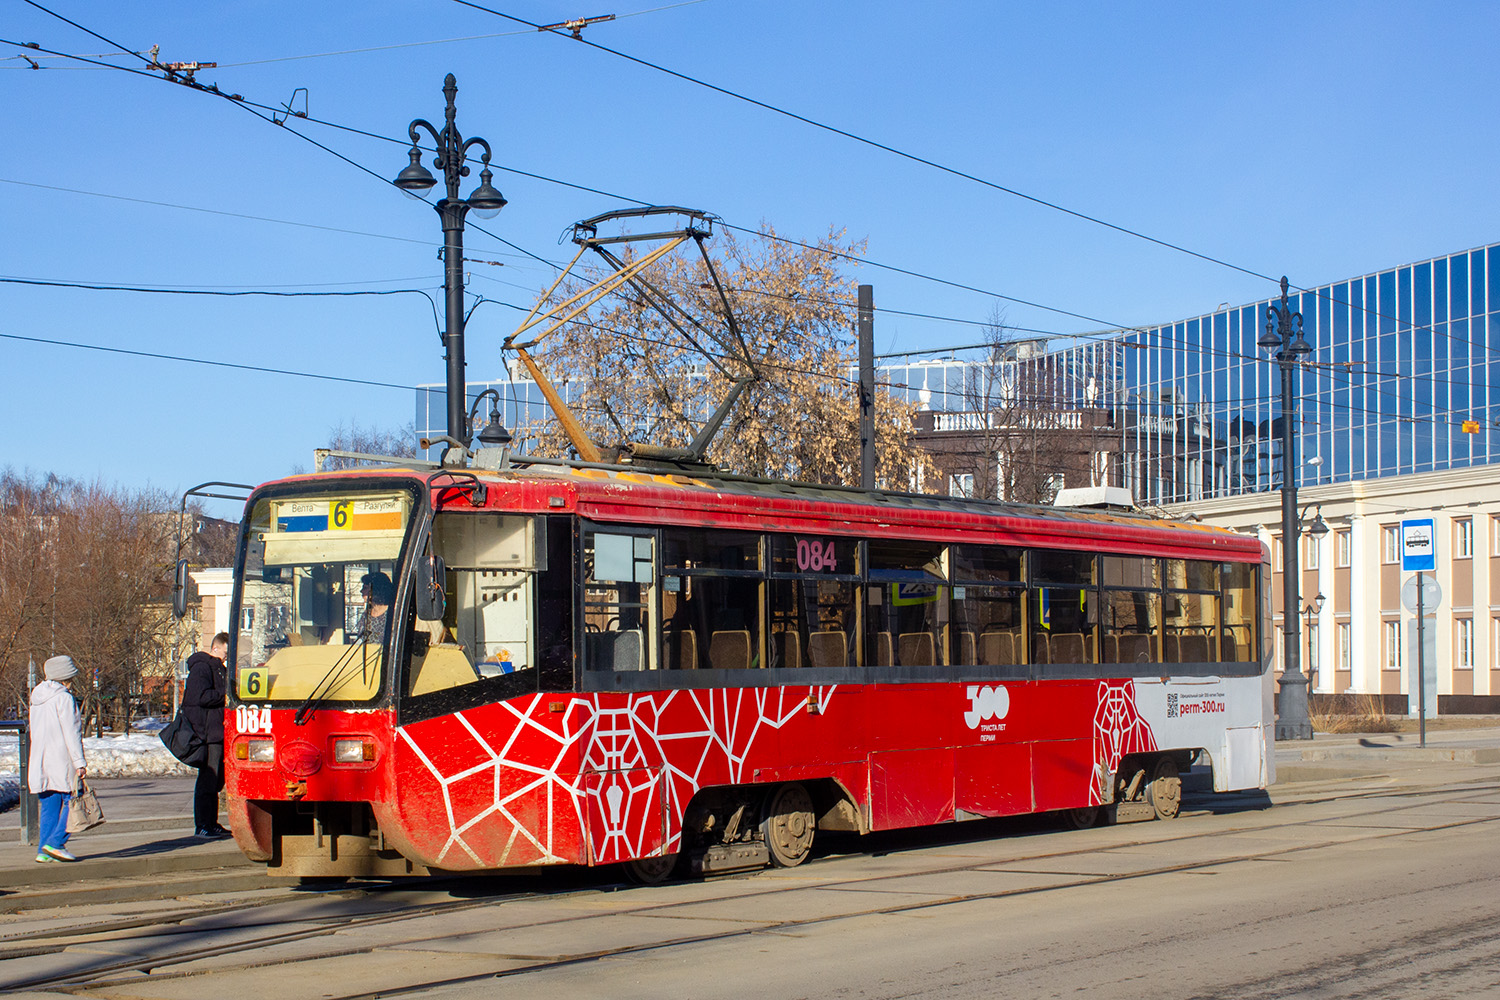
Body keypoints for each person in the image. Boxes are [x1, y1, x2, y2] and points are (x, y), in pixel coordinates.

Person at [28, 655, 87, 863]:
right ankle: (56, 843)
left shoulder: (36, 697)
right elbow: (71, 733)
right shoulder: (64, 698)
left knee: (49, 805)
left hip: (41, 759)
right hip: (62, 759)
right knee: (74, 801)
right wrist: (80, 763)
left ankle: (44, 850)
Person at [183, 632, 230, 839]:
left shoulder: (218, 668)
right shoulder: (203, 667)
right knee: (208, 780)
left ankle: (211, 822)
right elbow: (199, 697)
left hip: (216, 732)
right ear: (216, 648)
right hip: (209, 733)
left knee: (216, 780)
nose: (227, 657)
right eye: (226, 652)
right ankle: (203, 824)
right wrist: (225, 696)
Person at [355, 571, 395, 641]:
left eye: (365, 588)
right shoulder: (366, 615)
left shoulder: (393, 613)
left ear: (376, 590)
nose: (361, 591)